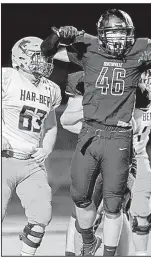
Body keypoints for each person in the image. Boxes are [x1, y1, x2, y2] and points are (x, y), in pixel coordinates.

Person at [41, 8, 151, 256]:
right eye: (113, 32)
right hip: (95, 138)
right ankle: (81, 247)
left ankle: (123, 253)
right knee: (82, 202)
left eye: (122, 33)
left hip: (128, 146)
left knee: (121, 208)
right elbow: (52, 53)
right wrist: (58, 35)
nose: (118, 38)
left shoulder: (147, 72)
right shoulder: (89, 53)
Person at [60, 71, 151, 256]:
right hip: (97, 150)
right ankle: (75, 252)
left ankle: (135, 254)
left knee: (127, 211)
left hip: (133, 154)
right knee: (83, 207)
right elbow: (66, 120)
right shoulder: (101, 88)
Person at [2, 36, 62, 256]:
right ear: (20, 58)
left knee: (42, 216)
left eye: (46, 56)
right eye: (38, 56)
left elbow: (51, 125)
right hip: (3, 158)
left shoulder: (51, 89)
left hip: (31, 162)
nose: (44, 61)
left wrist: (46, 149)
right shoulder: (7, 77)